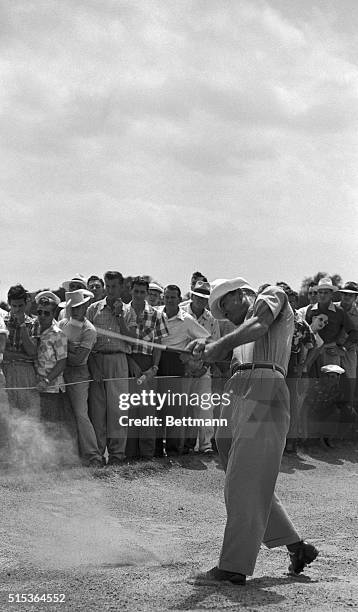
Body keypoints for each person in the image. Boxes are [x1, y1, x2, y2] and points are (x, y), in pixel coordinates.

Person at [188, 277, 318, 584]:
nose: (224, 314)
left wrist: (218, 344)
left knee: (242, 481)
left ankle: (233, 565)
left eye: (224, 305)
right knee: (244, 475)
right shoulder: (237, 330)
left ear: (239, 293)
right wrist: (203, 349)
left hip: (265, 385)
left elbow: (258, 325)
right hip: (237, 389)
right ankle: (296, 547)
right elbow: (223, 352)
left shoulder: (270, 295)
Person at [86, 271, 136, 466]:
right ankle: (98, 454)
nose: (110, 290)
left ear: (122, 287)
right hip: (98, 359)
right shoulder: (93, 309)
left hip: (118, 359)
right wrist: (93, 366)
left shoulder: (128, 310)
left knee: (118, 410)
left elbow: (131, 338)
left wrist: (120, 317)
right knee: (97, 411)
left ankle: (117, 454)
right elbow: (87, 340)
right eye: (108, 285)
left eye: (114, 286)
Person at [156, 285, 210, 456]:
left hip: (176, 361)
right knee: (156, 407)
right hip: (157, 359)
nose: (170, 300)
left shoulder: (186, 319)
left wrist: (191, 350)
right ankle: (157, 450)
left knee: (174, 408)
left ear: (179, 299)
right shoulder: (156, 314)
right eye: (167, 297)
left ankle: (172, 449)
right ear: (163, 298)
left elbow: (206, 337)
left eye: (173, 297)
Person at [58, 289, 103, 467]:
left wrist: (62, 348)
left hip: (78, 374)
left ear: (84, 306)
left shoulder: (89, 329)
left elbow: (78, 360)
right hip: (61, 372)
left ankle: (93, 455)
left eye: (78, 307)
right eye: (72, 307)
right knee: (65, 412)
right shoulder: (62, 324)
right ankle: (71, 455)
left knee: (80, 414)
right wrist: (69, 348)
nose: (75, 310)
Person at [125, 277, 168, 460]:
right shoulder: (123, 312)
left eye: (143, 292)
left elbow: (158, 344)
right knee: (128, 410)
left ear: (147, 293)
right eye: (137, 291)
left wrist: (154, 367)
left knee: (147, 412)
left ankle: (147, 456)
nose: (140, 295)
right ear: (131, 291)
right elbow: (120, 340)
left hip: (148, 364)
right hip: (127, 361)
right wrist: (130, 363)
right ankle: (130, 454)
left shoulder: (157, 315)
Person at [181, 280, 220, 453]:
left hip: (203, 368)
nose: (201, 300)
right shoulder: (181, 312)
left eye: (205, 297)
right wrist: (186, 367)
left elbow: (216, 345)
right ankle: (180, 445)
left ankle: (206, 445)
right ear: (192, 295)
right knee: (181, 408)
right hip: (182, 368)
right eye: (198, 296)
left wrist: (205, 366)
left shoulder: (212, 319)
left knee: (205, 408)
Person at [2, 284, 40, 417]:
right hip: (5, 370)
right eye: (14, 306)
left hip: (26, 373)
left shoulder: (34, 323)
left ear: (26, 304)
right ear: (9, 304)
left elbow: (32, 352)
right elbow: (2, 353)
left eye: (20, 306)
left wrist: (23, 325)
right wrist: (21, 356)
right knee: (7, 414)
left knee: (28, 414)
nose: (17, 309)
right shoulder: (2, 323)